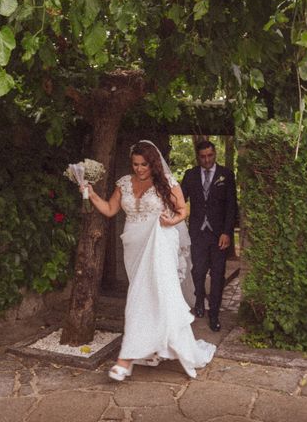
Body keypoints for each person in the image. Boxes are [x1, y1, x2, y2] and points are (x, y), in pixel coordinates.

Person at [83, 140, 216, 382]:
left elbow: (182, 211)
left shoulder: (166, 182)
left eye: (144, 164)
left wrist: (170, 221)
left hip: (160, 242)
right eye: (135, 164)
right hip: (133, 245)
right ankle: (154, 347)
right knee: (146, 295)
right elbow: (111, 210)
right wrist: (91, 194)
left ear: (153, 163)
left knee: (146, 296)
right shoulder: (124, 183)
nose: (139, 168)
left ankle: (125, 360)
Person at [181, 140, 237, 332]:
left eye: (210, 156)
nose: (207, 160)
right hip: (197, 232)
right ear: (198, 157)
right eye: (203, 157)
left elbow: (231, 206)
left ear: (215, 154)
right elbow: (179, 200)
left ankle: (214, 313)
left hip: (219, 234)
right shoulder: (190, 175)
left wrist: (227, 232)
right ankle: (198, 299)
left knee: (218, 274)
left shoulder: (226, 175)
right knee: (197, 271)